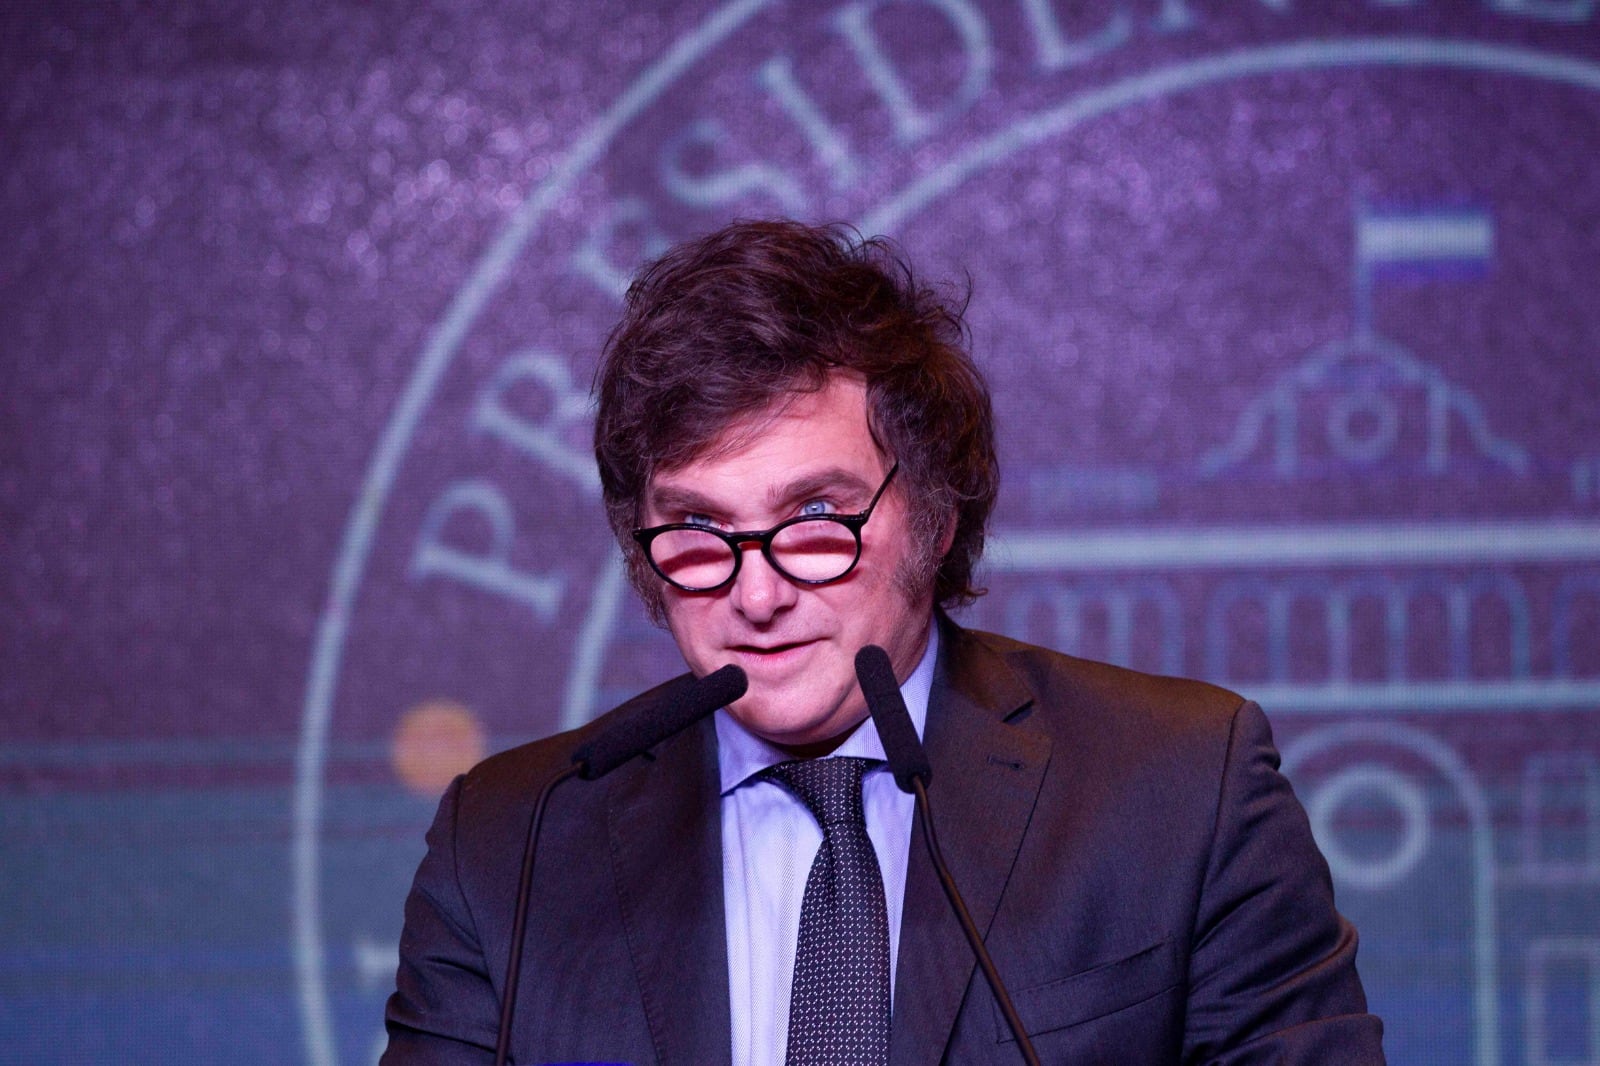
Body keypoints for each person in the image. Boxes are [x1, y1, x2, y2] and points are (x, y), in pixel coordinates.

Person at [382, 220, 1385, 1064]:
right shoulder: (511, 845)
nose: (757, 593)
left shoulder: (1179, 787)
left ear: (936, 516)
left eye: (816, 518)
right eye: (697, 529)